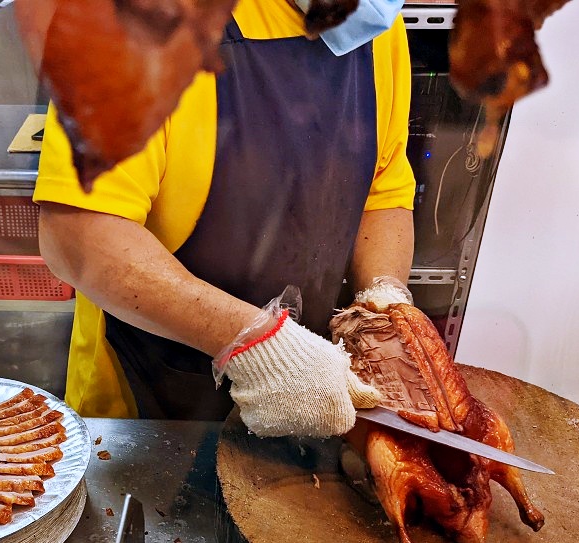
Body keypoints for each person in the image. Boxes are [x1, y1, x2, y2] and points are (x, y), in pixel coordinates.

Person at [34, 0, 416, 438]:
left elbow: (384, 187)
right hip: (150, 414)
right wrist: (256, 343)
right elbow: (77, 234)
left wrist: (383, 303)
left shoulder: (373, 18)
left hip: (316, 392)